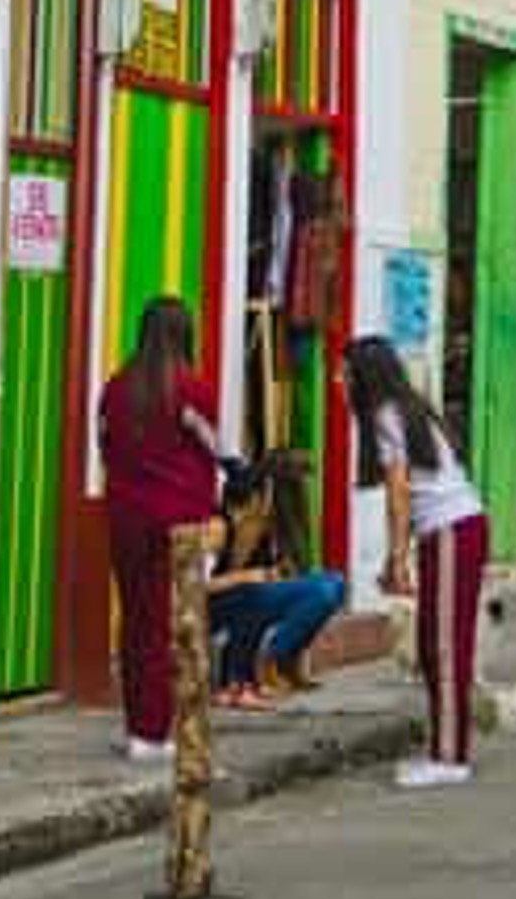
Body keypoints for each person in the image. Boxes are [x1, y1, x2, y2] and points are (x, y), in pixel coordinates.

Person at [346, 335, 490, 787]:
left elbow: (398, 495)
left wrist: (395, 558)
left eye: (345, 372)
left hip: (450, 530)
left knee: (445, 647)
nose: (339, 380)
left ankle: (450, 758)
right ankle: (445, 749)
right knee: (436, 643)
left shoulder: (387, 416)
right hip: (454, 529)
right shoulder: (410, 408)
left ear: (364, 377)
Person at [95, 296, 221, 761]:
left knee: (136, 621)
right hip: (181, 521)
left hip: (127, 517)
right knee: (181, 626)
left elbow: (105, 448)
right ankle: (171, 728)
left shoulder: (115, 389)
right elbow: (212, 450)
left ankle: (140, 729)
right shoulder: (192, 390)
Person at [205, 450, 348, 707]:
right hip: (209, 610)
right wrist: (245, 576)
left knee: (334, 582)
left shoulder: (263, 533)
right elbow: (195, 586)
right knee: (257, 593)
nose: (266, 505)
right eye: (262, 498)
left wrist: (272, 575)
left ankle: (275, 664)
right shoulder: (219, 527)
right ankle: (250, 675)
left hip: (240, 604)